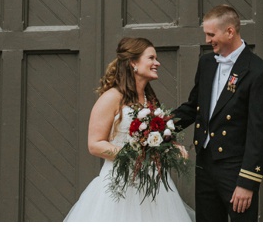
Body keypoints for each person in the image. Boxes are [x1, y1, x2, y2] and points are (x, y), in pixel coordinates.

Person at [64, 37, 192, 222]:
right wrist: (135, 155)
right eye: (151, 58)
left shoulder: (150, 100)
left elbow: (152, 139)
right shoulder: (111, 98)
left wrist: (171, 147)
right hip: (119, 186)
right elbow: (95, 145)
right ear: (133, 63)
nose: (157, 63)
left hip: (152, 185)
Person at [174, 5, 263, 222]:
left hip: (236, 169)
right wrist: (158, 125)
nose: (208, 39)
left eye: (211, 34)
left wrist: (247, 183)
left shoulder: (259, 72)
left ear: (230, 32)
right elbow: (193, 107)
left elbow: (260, 133)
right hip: (205, 164)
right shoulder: (207, 63)